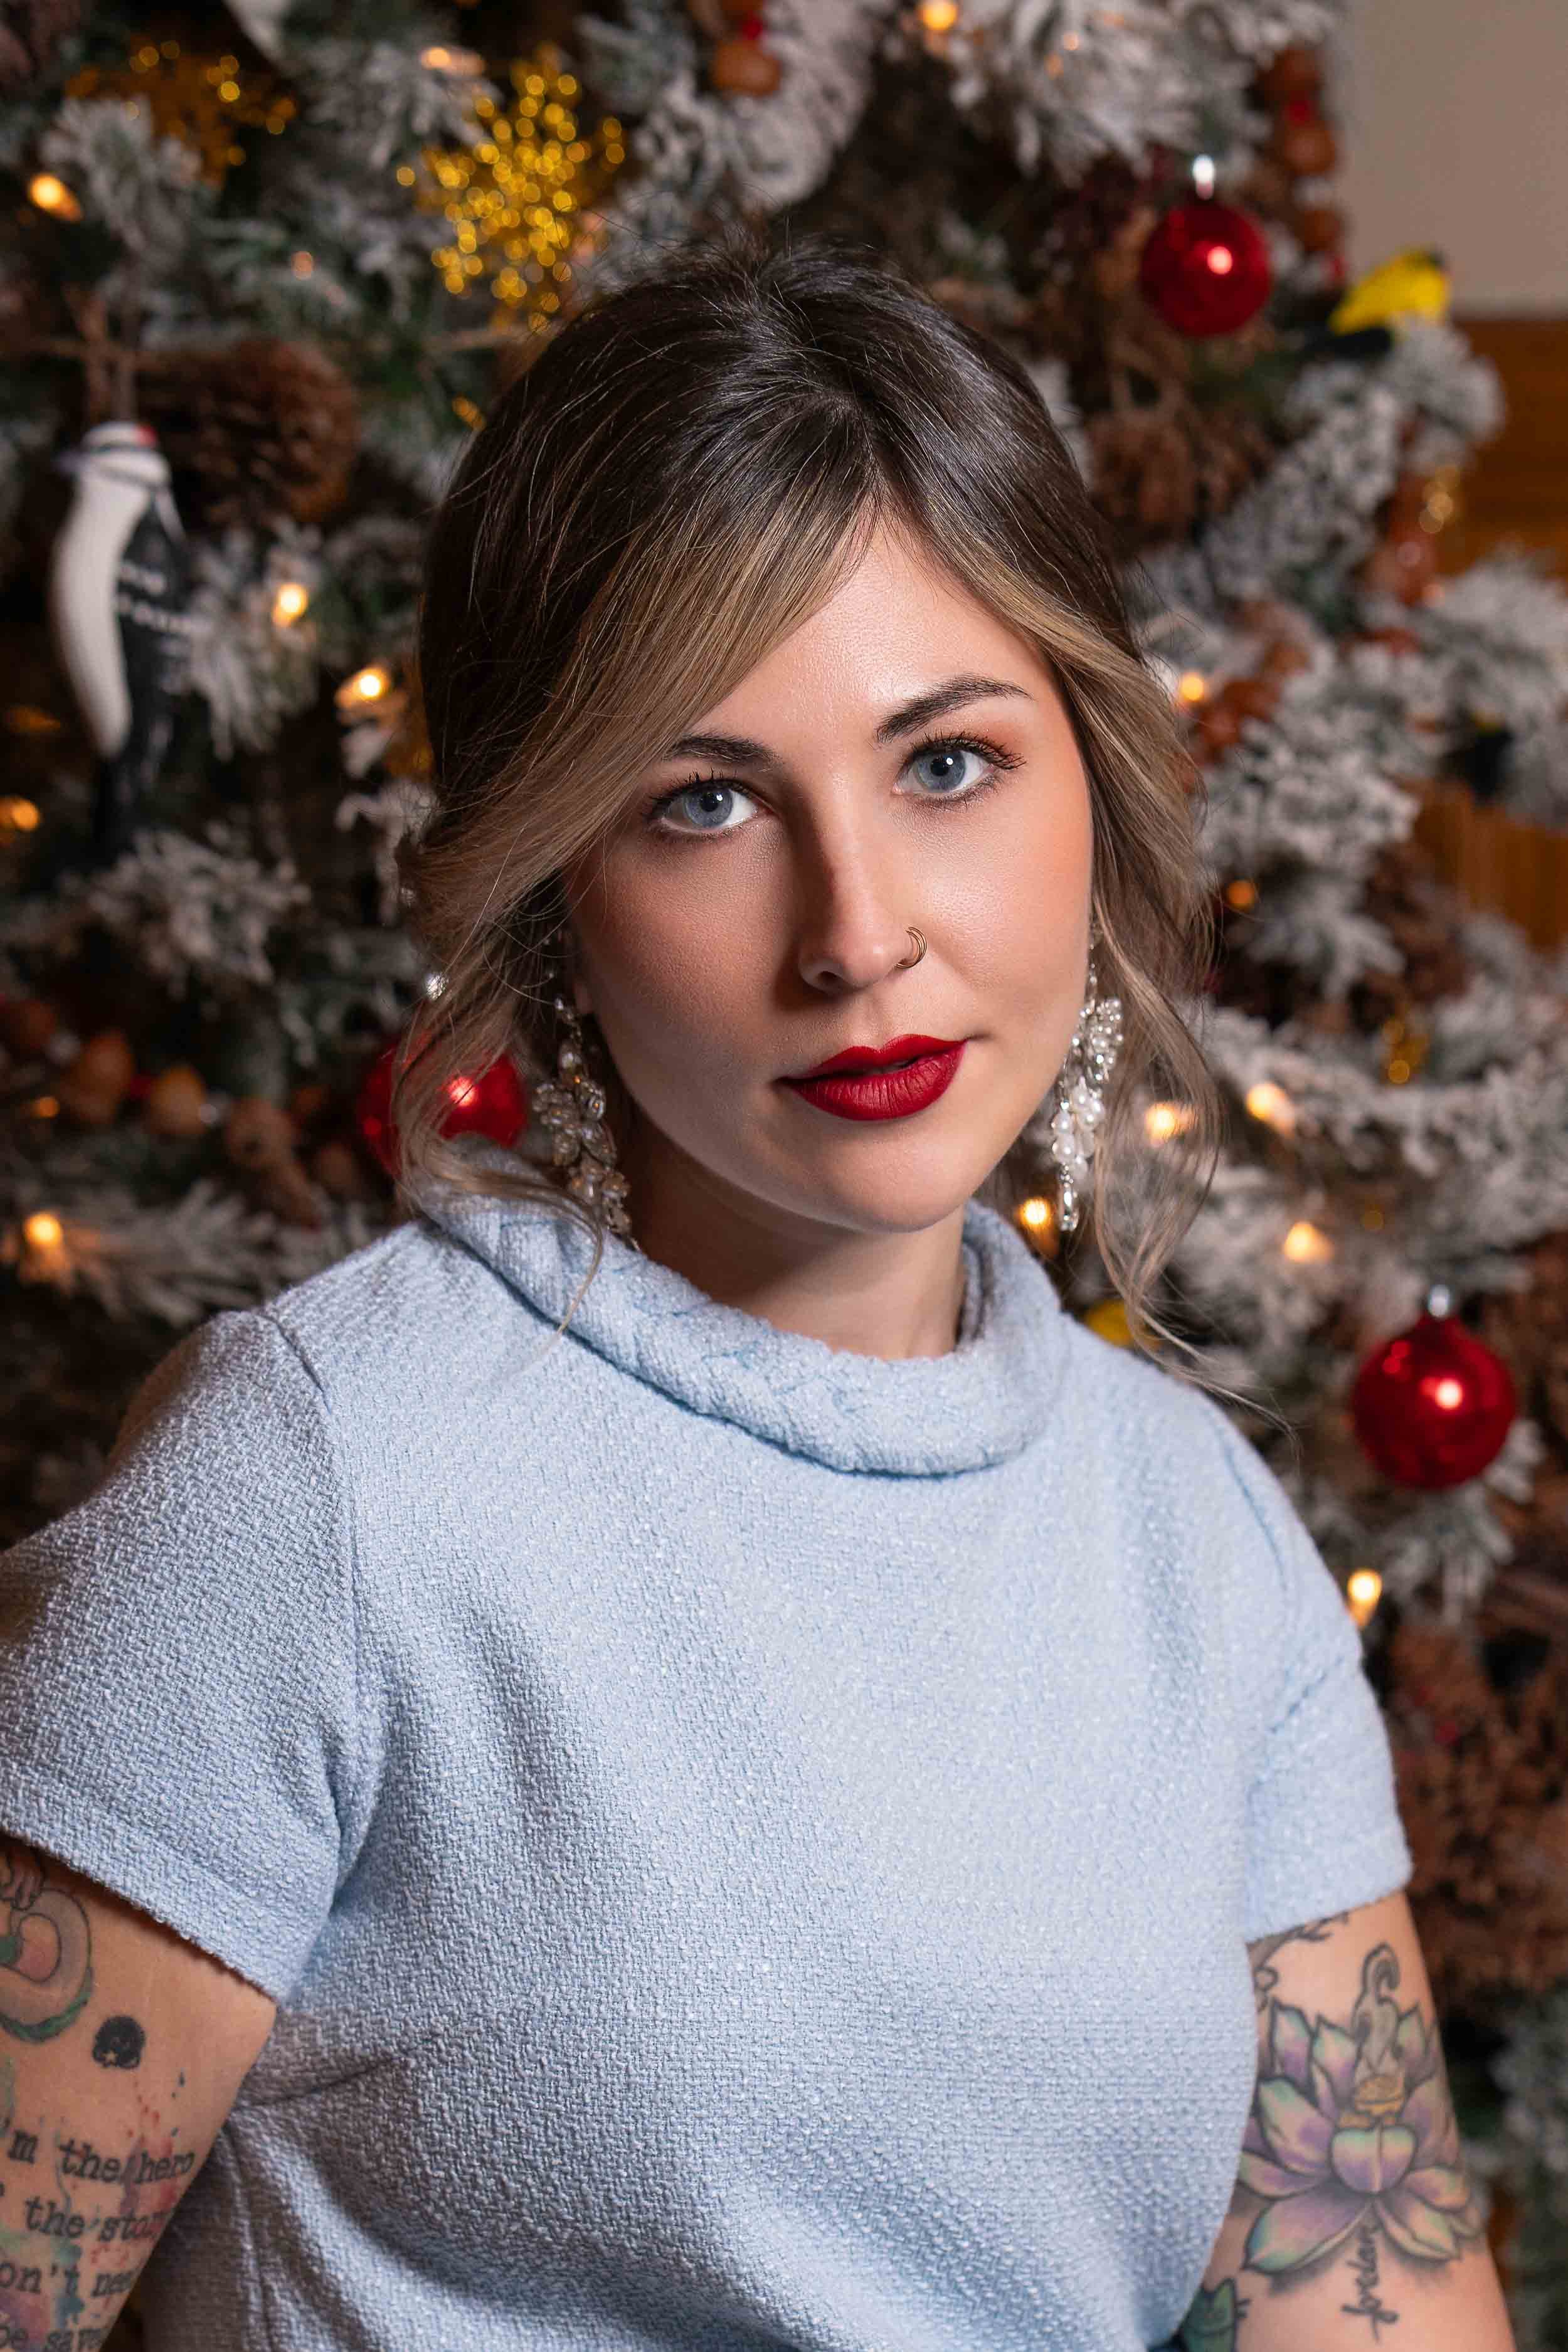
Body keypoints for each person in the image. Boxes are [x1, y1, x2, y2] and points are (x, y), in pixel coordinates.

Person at [0, 226, 1516, 2352]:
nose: (856, 931)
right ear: (553, 884)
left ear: (1091, 770)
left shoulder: (1196, 1536)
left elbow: (1379, 2303)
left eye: (948, 761)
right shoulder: (323, 1477)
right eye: (702, 803)